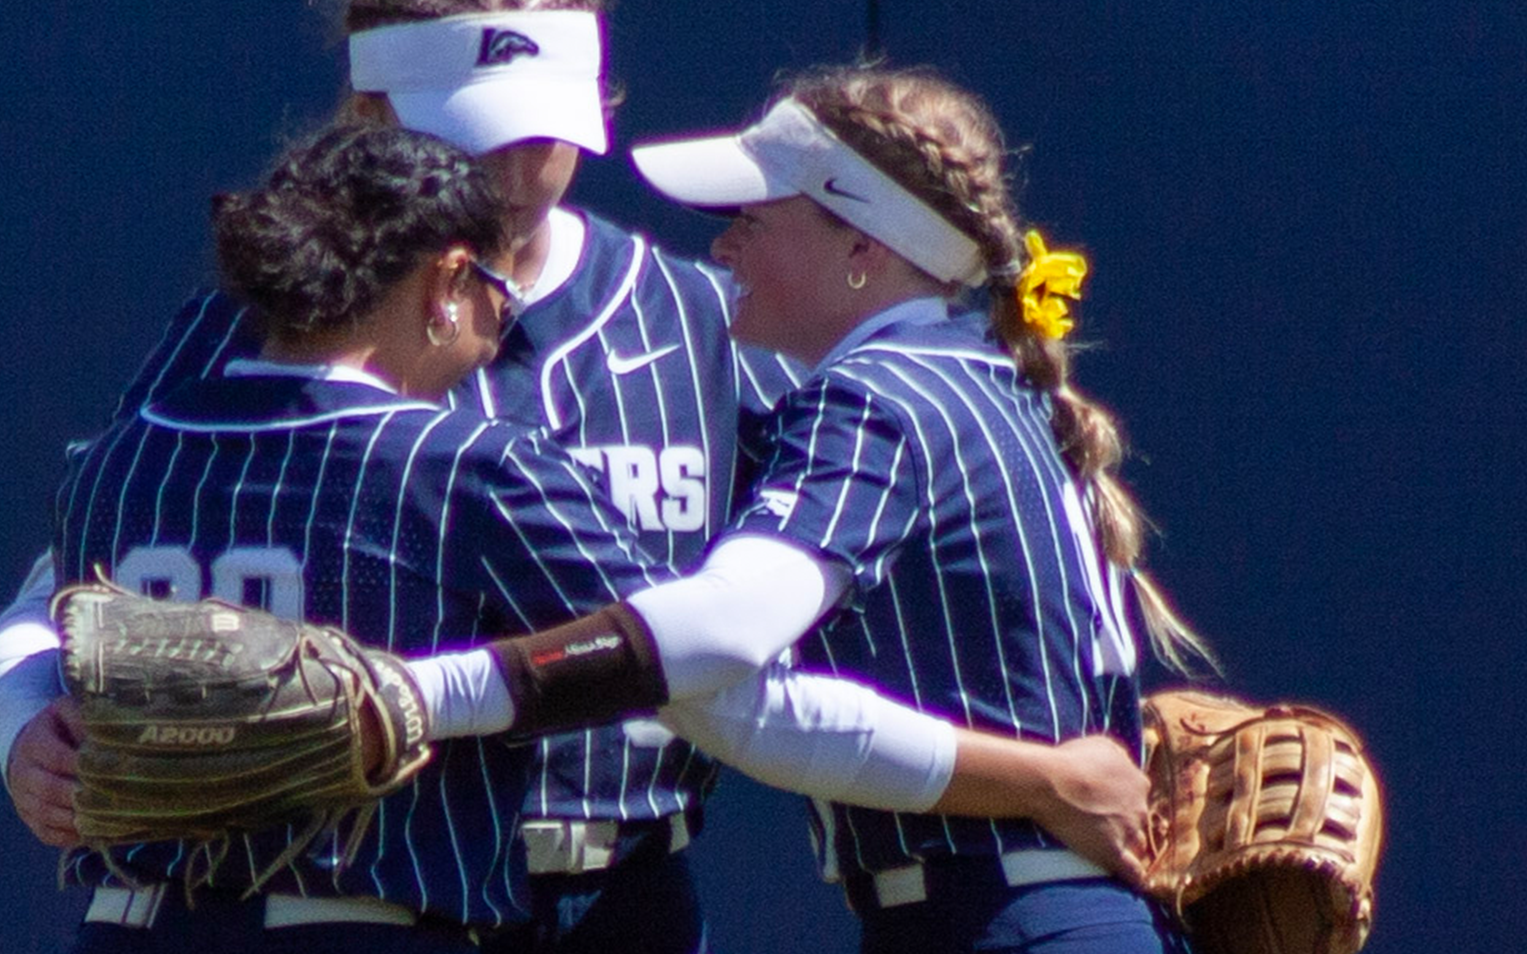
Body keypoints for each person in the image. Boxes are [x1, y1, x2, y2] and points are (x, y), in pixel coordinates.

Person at [39, 120, 1151, 953]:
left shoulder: (116, 469)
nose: (506, 318)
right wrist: (1042, 777)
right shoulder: (465, 465)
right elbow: (721, 689)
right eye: (490, 283)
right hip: (363, 925)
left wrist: (16, 732)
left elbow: (33, 653)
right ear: (440, 286)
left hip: (127, 926)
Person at [0, 0, 789, 954]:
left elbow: (823, 575)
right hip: (362, 884)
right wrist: (23, 718)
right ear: (367, 113)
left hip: (614, 884)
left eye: (539, 132)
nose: (503, 171)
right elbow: (70, 587)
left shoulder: (693, 316)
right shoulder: (268, 319)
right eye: (463, 128)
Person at [400, 63, 1214, 954]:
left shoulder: (879, 397)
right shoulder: (985, 376)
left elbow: (721, 636)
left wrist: (415, 697)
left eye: (753, 220)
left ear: (864, 251)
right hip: (1035, 915)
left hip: (998, 919)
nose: (721, 250)